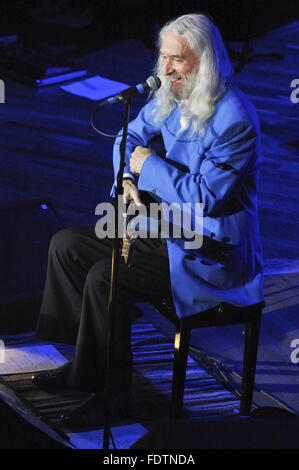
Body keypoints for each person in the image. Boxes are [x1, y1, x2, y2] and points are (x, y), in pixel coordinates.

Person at [33, 13, 264, 426]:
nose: (167, 68)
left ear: (205, 61)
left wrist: (149, 166)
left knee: (108, 277)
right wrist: (126, 176)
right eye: (164, 57)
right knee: (67, 245)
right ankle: (84, 366)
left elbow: (205, 198)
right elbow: (129, 137)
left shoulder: (236, 120)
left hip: (206, 248)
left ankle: (115, 397)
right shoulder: (173, 95)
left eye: (177, 59)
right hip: (160, 226)